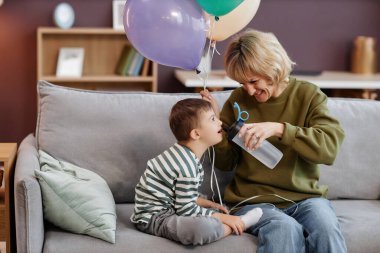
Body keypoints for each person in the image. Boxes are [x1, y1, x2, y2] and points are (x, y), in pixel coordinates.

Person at [201, 29, 347, 253]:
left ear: (272, 67)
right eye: (242, 83)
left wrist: (280, 129)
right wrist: (218, 126)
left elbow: (329, 150)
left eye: (252, 81)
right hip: (253, 200)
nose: (248, 90)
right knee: (284, 228)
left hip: (306, 199)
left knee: (326, 229)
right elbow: (226, 163)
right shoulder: (237, 100)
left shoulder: (309, 96)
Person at [131, 98, 263, 246]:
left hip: (169, 208)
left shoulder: (184, 155)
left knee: (204, 217)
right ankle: (239, 224)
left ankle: (221, 220)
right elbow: (186, 209)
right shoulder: (185, 165)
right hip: (154, 219)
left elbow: (183, 196)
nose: (220, 122)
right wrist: (223, 217)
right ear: (196, 134)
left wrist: (209, 204)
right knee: (201, 229)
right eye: (213, 119)